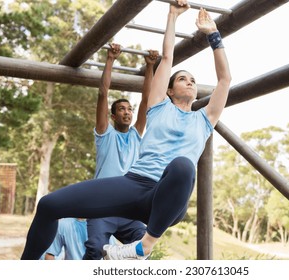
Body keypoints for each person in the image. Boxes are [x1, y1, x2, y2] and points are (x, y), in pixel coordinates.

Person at [21, 0, 231, 260]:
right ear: (168, 88)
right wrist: (172, 15)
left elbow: (225, 80)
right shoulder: (158, 105)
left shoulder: (205, 119)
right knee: (48, 205)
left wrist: (213, 33)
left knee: (183, 166)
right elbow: (167, 57)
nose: (189, 82)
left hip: (167, 200)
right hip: (134, 184)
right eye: (182, 79)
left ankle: (145, 245)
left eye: (193, 80)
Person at [82, 43, 159, 260]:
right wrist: (110, 59)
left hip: (128, 211)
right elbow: (102, 93)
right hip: (102, 208)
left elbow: (146, 100)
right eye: (122, 109)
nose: (127, 112)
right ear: (113, 116)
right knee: (96, 249)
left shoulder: (136, 135)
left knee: (145, 247)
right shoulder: (105, 133)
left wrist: (150, 66)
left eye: (129, 109)